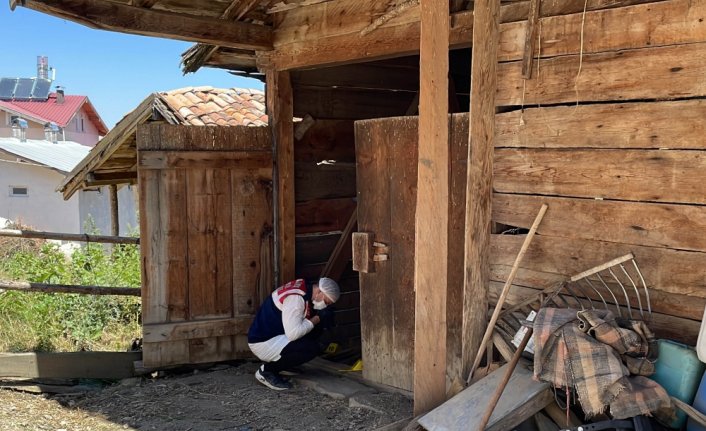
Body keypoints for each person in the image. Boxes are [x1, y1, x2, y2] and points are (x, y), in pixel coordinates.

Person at [247, 277, 340, 390]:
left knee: (312, 335)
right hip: (263, 342)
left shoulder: (304, 287)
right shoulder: (296, 299)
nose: (325, 305)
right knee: (312, 348)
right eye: (326, 301)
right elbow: (293, 334)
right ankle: (267, 371)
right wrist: (316, 319)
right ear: (319, 291)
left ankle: (284, 364)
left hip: (273, 334)